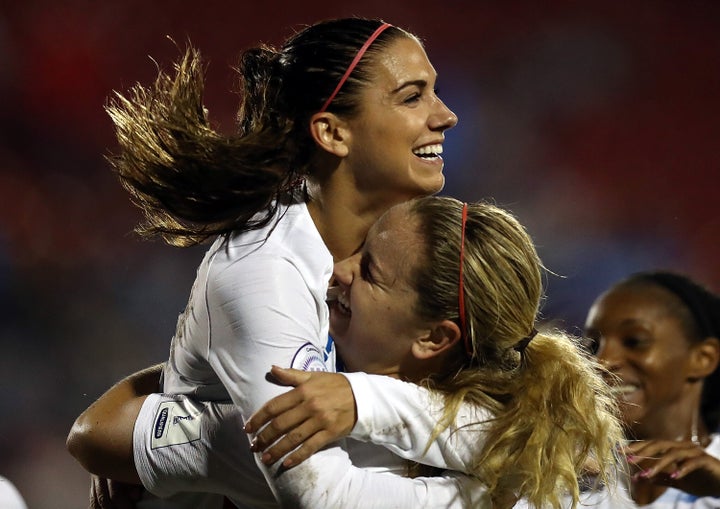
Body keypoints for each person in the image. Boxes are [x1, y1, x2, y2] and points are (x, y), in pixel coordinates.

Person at [70, 15, 502, 509]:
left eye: (434, 91)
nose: (446, 115)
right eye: (412, 96)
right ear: (333, 134)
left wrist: (150, 415)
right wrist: (500, 494)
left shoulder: (403, 247)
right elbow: (323, 496)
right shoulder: (265, 272)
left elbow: (499, 409)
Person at [71, 197, 625, 509]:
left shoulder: (346, 440)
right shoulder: (525, 431)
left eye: (371, 272)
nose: (338, 270)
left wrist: (349, 404)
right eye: (358, 249)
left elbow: (101, 432)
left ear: (434, 338)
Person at [578, 270, 720, 507]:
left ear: (702, 358)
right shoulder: (573, 492)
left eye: (634, 341)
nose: (600, 362)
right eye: (593, 346)